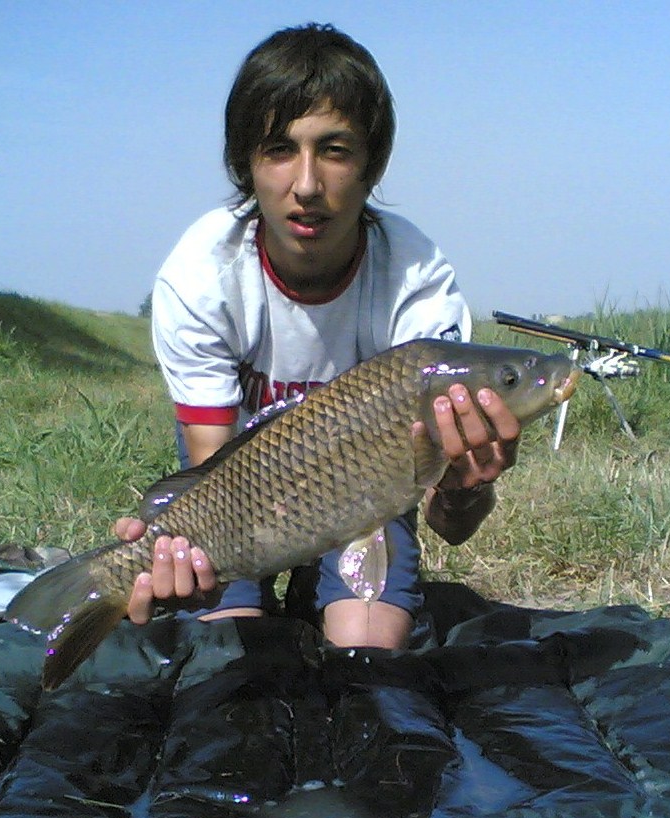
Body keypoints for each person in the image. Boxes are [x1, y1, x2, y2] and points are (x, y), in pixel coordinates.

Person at [116, 22, 522, 650]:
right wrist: (191, 564)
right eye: (279, 149)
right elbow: (211, 474)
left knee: (369, 652)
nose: (306, 185)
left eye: (334, 150)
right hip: (241, 487)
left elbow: (453, 525)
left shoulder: (417, 282)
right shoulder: (199, 276)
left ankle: (325, 583)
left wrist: (470, 489)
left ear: (370, 166)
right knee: (233, 649)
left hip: (366, 494)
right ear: (246, 165)